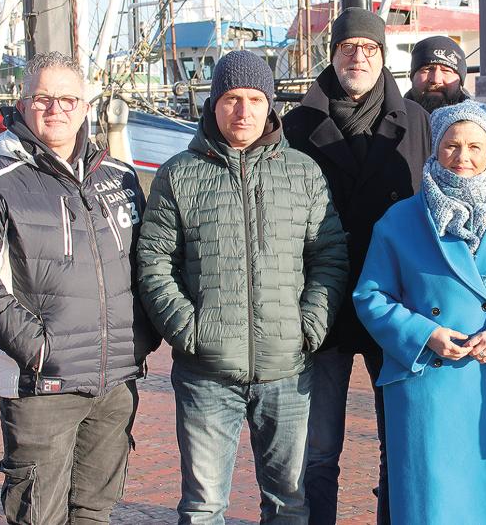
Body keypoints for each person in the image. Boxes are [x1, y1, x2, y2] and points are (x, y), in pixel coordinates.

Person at [0, 51, 160, 524]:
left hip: (116, 380)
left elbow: (147, 261)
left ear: (85, 106)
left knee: (94, 512)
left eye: (67, 98)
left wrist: (142, 336)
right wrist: (37, 347)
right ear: (22, 105)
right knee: (39, 515)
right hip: (42, 385)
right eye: (43, 98)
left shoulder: (118, 177)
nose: (55, 108)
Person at [136, 50, 348, 524]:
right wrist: (191, 332)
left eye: (255, 98)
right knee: (203, 506)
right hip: (206, 374)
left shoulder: (302, 172)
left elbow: (328, 256)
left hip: (286, 371)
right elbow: (154, 261)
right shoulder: (179, 174)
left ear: (270, 104)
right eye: (232, 98)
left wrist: (307, 328)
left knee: (288, 504)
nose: (243, 111)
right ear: (213, 104)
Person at [352, 99, 486, 524]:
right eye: (451, 145)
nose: (463, 157)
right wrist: (426, 334)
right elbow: (370, 296)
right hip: (425, 382)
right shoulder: (399, 220)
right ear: (435, 149)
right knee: (429, 505)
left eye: (474, 147)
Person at [281, 7, 430, 525]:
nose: (358, 58)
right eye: (348, 48)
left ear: (383, 56)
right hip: (323, 300)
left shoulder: (415, 121)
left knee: (398, 441)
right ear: (334, 54)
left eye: (369, 49)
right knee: (318, 446)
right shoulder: (297, 124)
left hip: (393, 299)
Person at [405, 35, 486, 147]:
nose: (436, 79)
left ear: (460, 80)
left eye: (446, 70)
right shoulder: (390, 125)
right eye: (427, 69)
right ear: (413, 76)